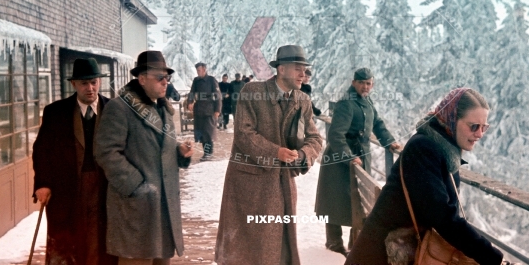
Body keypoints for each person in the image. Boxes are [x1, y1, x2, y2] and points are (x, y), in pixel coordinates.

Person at [345, 88, 506, 265]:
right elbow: (442, 215)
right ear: (452, 119)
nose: (480, 134)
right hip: (381, 255)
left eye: (484, 127)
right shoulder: (424, 149)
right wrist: (491, 256)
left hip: (398, 250)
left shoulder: (444, 149)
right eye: (474, 126)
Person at [215, 45, 323, 265]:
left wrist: (302, 155)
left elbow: (315, 139)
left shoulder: (302, 100)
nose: (304, 74)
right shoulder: (252, 92)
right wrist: (276, 152)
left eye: (305, 69)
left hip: (282, 185)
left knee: (279, 249)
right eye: (298, 68)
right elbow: (244, 134)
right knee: (248, 249)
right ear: (281, 70)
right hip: (250, 185)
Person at [95, 51, 194, 265]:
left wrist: (179, 152)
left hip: (162, 208)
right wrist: (137, 186)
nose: (165, 82)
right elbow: (106, 152)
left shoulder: (163, 109)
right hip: (137, 208)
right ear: (141, 79)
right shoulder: (120, 108)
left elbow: (158, 148)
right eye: (160, 78)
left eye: (167, 78)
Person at [32, 58, 117, 265]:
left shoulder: (114, 110)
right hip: (66, 189)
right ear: (73, 84)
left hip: (105, 188)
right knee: (69, 243)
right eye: (84, 83)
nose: (90, 88)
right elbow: (42, 150)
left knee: (100, 240)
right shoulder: (56, 112)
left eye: (94, 82)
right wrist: (42, 183)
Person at [315, 68, 401, 256]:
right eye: (361, 83)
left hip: (361, 156)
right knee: (335, 200)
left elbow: (377, 124)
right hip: (340, 158)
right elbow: (336, 136)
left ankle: (355, 244)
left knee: (360, 200)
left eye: (368, 83)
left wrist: (390, 142)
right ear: (354, 82)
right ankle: (334, 244)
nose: (365, 87)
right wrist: (348, 156)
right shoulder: (346, 103)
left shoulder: (366, 101)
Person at [187, 62, 222, 160]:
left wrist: (217, 110)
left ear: (204, 69)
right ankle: (206, 153)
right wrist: (190, 102)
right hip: (199, 110)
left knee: (208, 132)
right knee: (201, 133)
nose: (197, 72)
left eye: (199, 70)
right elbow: (192, 92)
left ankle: (209, 153)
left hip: (209, 110)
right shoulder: (196, 80)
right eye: (196, 70)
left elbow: (218, 96)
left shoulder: (211, 80)